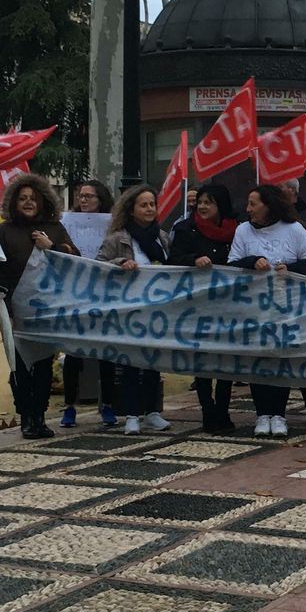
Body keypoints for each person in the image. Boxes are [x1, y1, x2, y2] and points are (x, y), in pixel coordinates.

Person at [228, 184, 306, 437]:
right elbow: (231, 265)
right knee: (258, 360)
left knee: (280, 359)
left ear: (268, 205)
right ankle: (262, 414)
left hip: (285, 308)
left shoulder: (294, 229)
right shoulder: (243, 231)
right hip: (254, 308)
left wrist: (289, 269)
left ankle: (278, 414)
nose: (248, 209)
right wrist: (251, 261)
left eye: (253, 204)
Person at [0, 173, 77, 438]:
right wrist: (3, 309)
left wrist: (51, 247)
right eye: (23, 198)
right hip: (16, 310)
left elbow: (75, 260)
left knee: (42, 365)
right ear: (13, 202)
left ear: (43, 201)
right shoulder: (3, 231)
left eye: (33, 198)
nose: (28, 202)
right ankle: (26, 416)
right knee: (19, 365)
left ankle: (39, 416)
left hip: (47, 310)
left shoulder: (55, 228)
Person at [97, 185, 174, 434]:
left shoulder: (162, 238)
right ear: (131, 210)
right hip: (128, 309)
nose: (149, 209)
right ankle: (132, 414)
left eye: (152, 204)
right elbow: (98, 265)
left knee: (152, 362)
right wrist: (120, 263)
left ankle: (152, 412)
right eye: (144, 205)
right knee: (131, 362)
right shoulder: (118, 238)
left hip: (157, 309)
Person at [171, 183, 240, 432]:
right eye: (200, 202)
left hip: (229, 306)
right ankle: (207, 410)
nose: (202, 206)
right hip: (198, 306)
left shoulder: (237, 231)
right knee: (202, 361)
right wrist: (193, 260)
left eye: (208, 202)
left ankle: (222, 409)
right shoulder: (185, 229)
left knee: (225, 360)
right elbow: (173, 260)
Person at [60, 179, 114, 428]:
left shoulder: (112, 224)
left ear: (101, 199)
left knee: (106, 354)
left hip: (104, 294)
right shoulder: (67, 222)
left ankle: (108, 405)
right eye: (81, 196)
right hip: (75, 293)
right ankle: (69, 406)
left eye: (89, 196)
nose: (84, 200)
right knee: (73, 353)